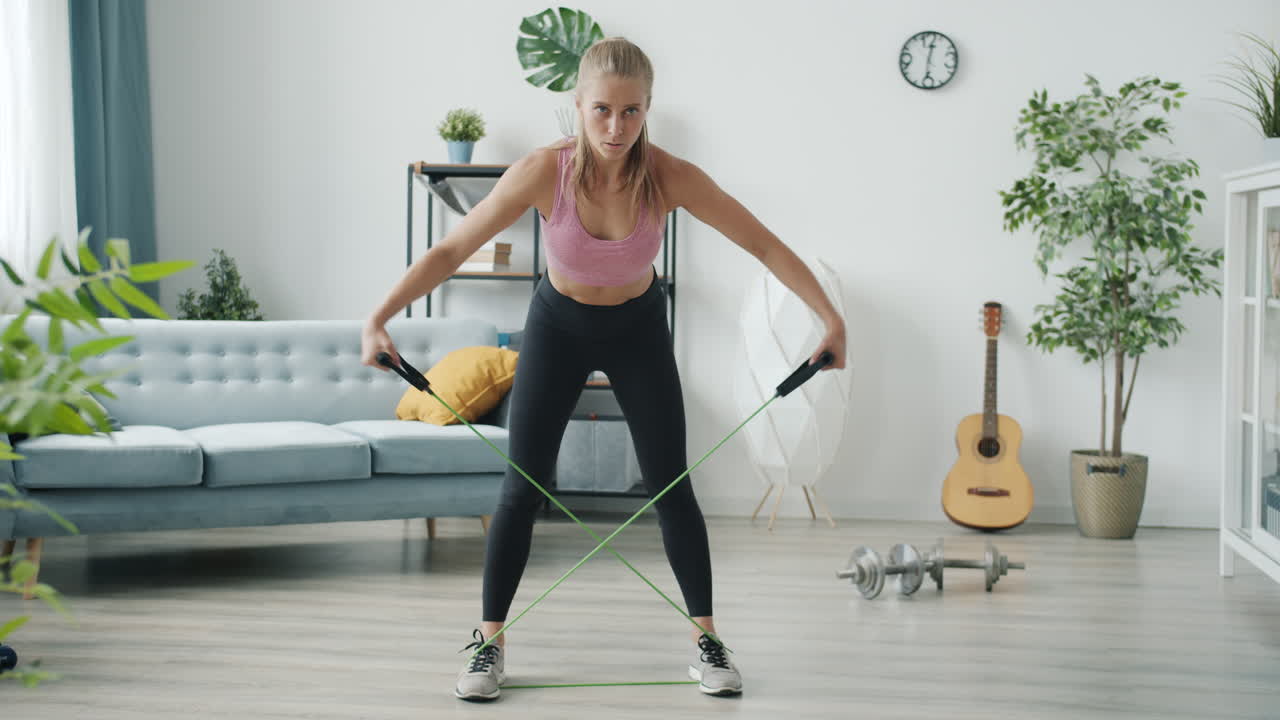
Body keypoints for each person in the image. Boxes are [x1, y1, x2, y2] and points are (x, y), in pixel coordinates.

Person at [361, 36, 847, 702]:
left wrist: (830, 318)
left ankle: (708, 640)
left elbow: (761, 241)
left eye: (631, 111)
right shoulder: (543, 171)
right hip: (557, 327)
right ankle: (487, 643)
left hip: (637, 330)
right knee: (521, 487)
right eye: (601, 111)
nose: (616, 128)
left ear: (648, 109)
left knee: (671, 484)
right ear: (578, 106)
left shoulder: (669, 176)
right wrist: (378, 316)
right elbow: (450, 249)